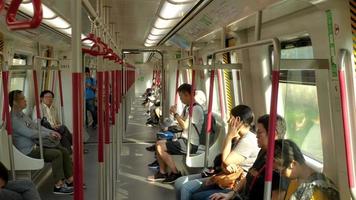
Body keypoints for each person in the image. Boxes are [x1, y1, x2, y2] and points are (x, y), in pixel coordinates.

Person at [176, 105, 259, 200]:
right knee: (181, 185)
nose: (228, 121)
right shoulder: (238, 137)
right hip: (224, 175)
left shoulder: (247, 141)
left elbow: (226, 161)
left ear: (237, 119)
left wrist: (228, 136)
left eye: (230, 118)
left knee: (187, 189)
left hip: (234, 182)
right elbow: (224, 163)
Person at [209, 114, 288, 200]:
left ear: (273, 134)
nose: (257, 136)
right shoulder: (263, 151)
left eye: (260, 132)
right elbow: (249, 176)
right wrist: (231, 194)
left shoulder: (279, 164)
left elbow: (278, 195)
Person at [9, 90, 73, 195]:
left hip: (35, 145)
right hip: (27, 151)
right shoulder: (13, 119)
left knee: (63, 150)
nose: (25, 100)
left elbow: (37, 126)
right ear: (15, 102)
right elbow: (30, 133)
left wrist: (51, 131)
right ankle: (59, 185)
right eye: (22, 99)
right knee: (57, 154)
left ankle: (70, 180)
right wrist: (48, 135)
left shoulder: (22, 115)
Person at [147, 83, 204, 183]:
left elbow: (185, 126)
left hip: (190, 144)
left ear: (187, 94)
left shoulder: (196, 109)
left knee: (160, 147)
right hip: (184, 139)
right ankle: (162, 172)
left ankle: (175, 173)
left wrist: (175, 113)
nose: (181, 99)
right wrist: (174, 116)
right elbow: (180, 122)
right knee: (159, 143)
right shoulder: (188, 107)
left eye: (181, 96)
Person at [273, 139, 340, 200]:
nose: (281, 175)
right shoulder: (294, 182)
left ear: (293, 164)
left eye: (281, 171)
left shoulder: (318, 190)